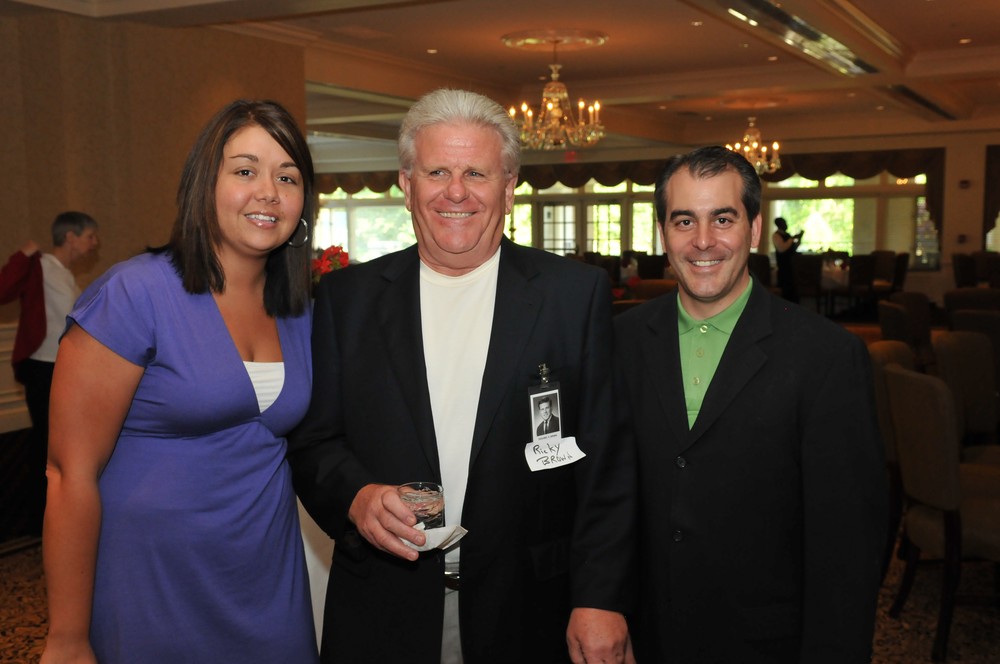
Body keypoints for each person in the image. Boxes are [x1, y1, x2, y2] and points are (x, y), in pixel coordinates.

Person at [288, 88, 633, 664]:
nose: (456, 191)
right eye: (437, 172)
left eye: (476, 172)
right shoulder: (348, 299)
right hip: (384, 601)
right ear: (407, 185)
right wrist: (356, 496)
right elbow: (314, 440)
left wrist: (601, 597)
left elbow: (607, 465)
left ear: (509, 187)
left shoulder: (573, 296)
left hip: (529, 606)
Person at [40, 100, 320, 664]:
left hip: (266, 579)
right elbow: (69, 474)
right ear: (204, 184)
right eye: (246, 170)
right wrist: (67, 636)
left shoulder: (300, 308)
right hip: (149, 582)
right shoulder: (134, 293)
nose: (268, 192)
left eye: (287, 177)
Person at [613, 146, 886, 662]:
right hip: (643, 634)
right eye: (684, 221)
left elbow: (848, 543)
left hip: (767, 641)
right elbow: (603, 495)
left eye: (723, 219)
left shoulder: (826, 355)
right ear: (663, 234)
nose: (703, 241)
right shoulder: (619, 341)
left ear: (754, 229)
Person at [0, 212, 100, 536]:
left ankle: (59, 518)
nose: (94, 243)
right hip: (42, 368)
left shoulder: (66, 275)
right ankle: (41, 522)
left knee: (61, 444)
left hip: (62, 368)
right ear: (70, 237)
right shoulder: (39, 265)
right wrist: (22, 255)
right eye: (89, 236)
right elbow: (2, 289)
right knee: (46, 444)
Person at [772, 216, 802, 301]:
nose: (786, 225)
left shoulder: (787, 235)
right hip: (783, 267)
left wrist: (799, 239)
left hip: (792, 267)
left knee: (793, 291)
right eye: (784, 223)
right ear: (779, 225)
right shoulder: (776, 235)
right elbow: (782, 249)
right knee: (785, 290)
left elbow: (793, 248)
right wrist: (792, 239)